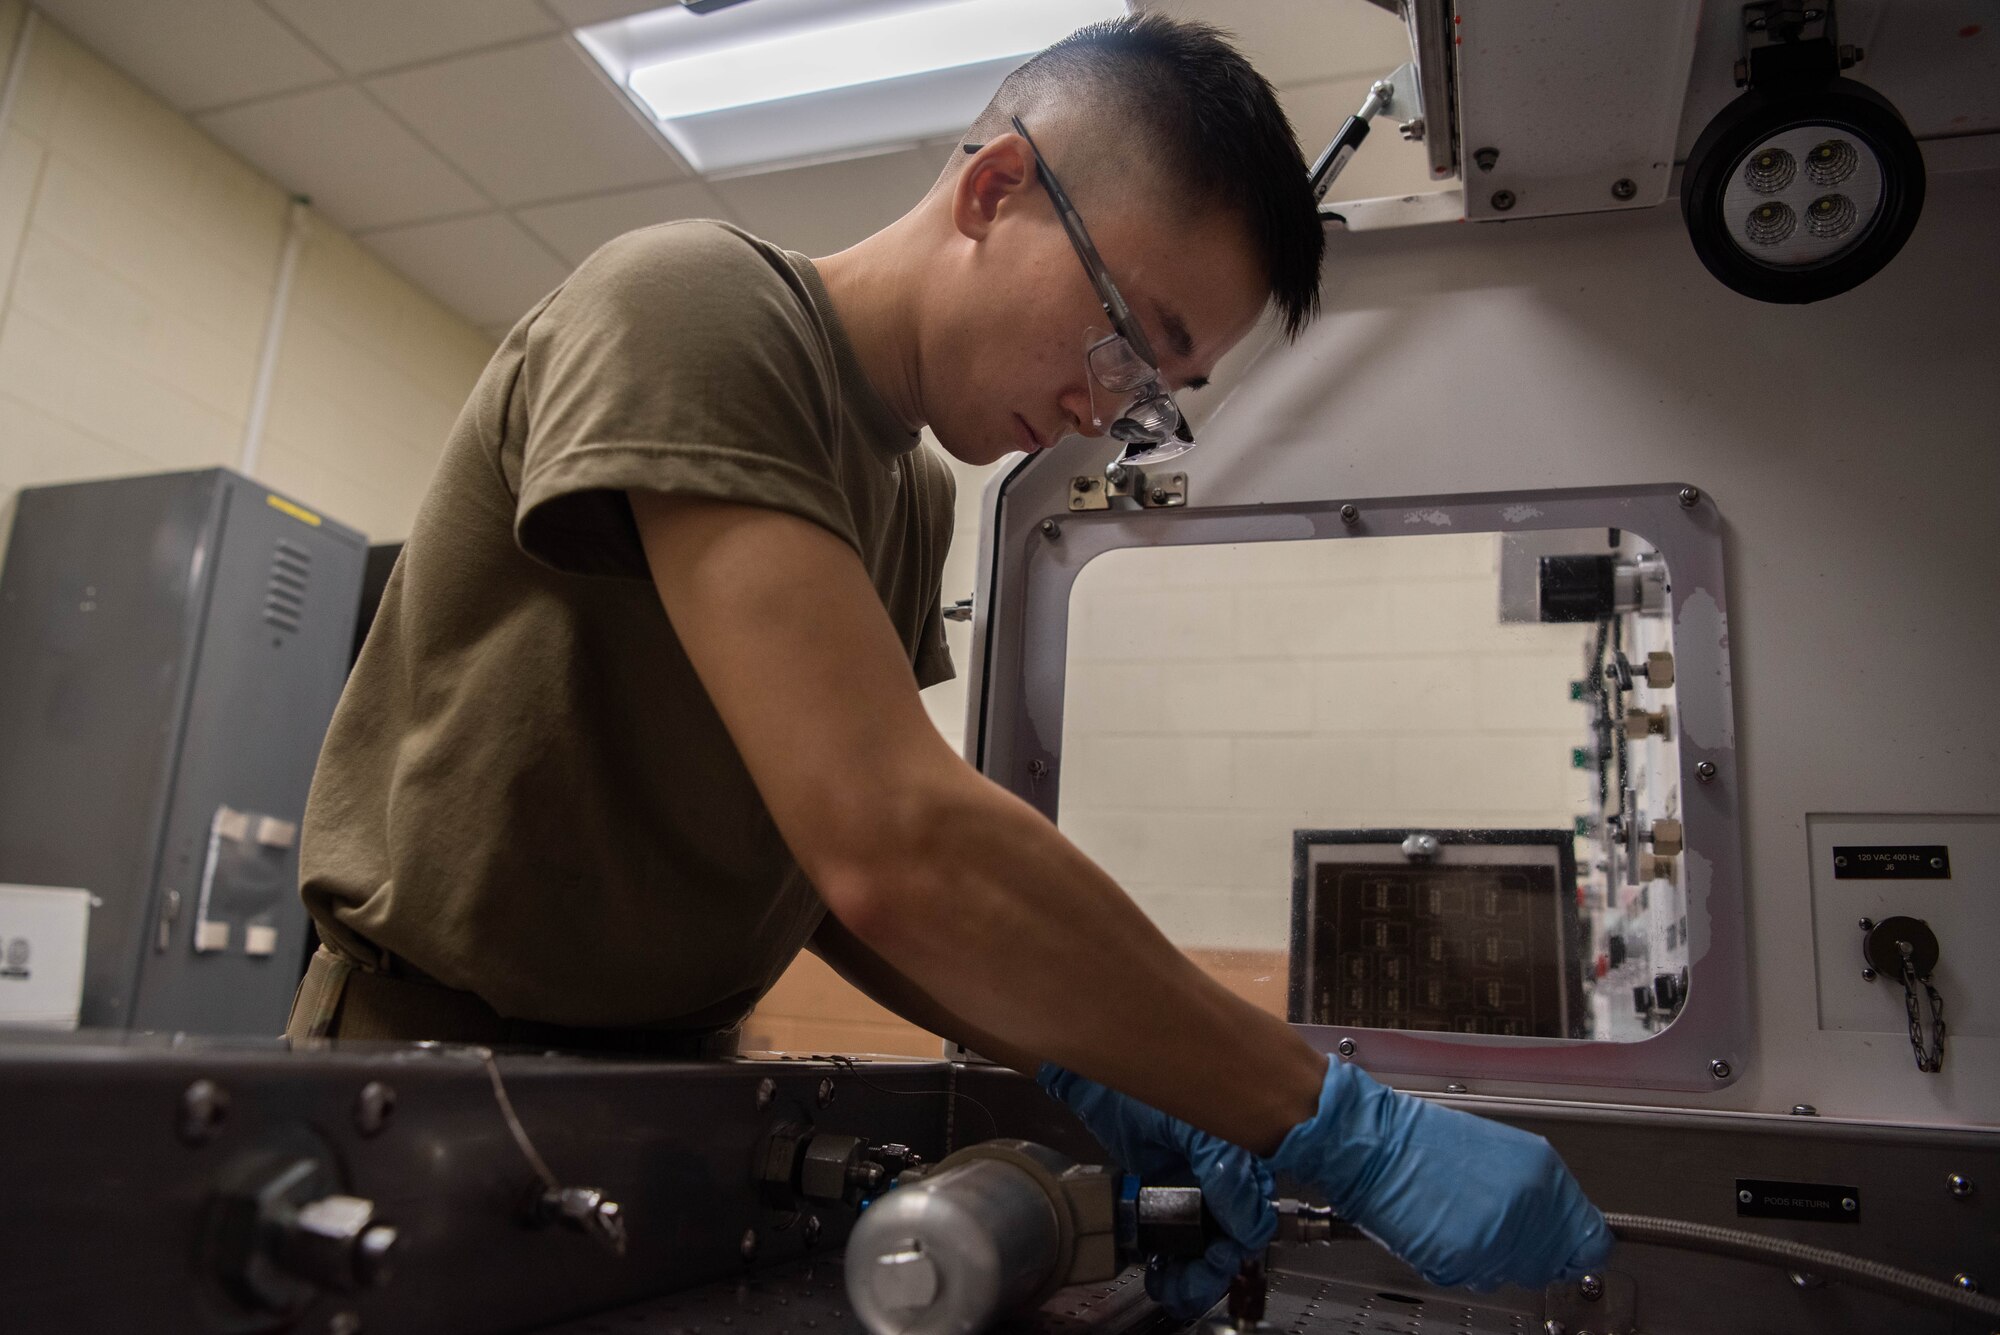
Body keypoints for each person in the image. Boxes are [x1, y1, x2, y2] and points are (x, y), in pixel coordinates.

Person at [287, 12, 1611, 1313]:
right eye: (1125, 338)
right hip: (435, 1075)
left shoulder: (911, 493)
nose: (1101, 409)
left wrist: (1098, 1067)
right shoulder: (697, 303)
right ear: (995, 190)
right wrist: (1333, 1119)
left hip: (673, 1087)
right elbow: (896, 847)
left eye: (1151, 395)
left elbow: (819, 877)